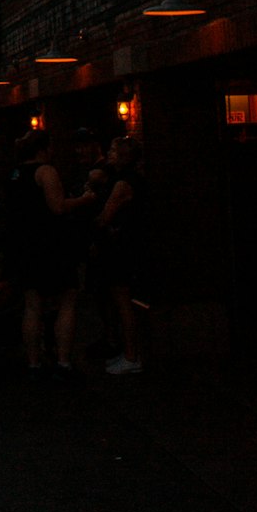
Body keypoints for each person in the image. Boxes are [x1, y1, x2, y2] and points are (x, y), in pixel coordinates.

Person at [4, 128, 95, 382]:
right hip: (50, 245)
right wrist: (84, 199)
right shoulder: (45, 171)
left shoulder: (15, 173)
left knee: (32, 305)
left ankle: (33, 363)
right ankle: (63, 362)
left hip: (24, 246)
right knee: (67, 298)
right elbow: (58, 206)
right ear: (43, 148)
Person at [92, 135, 147, 375]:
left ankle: (131, 356)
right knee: (120, 299)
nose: (110, 153)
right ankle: (128, 353)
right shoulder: (124, 179)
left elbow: (105, 216)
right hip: (123, 245)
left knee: (123, 300)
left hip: (121, 247)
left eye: (114, 150)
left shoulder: (123, 183)